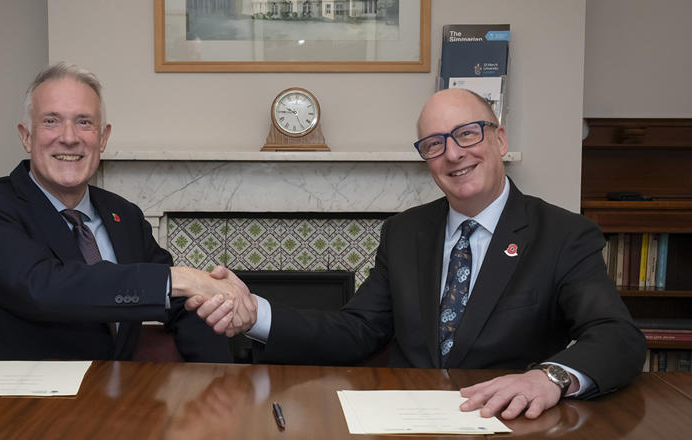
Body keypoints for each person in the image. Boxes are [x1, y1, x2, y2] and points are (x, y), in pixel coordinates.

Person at [188, 88, 646, 419]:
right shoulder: (405, 232)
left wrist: (549, 378)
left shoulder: (563, 234)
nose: (453, 154)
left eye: (467, 134)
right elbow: (357, 331)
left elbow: (618, 337)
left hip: (508, 424)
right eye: (434, 144)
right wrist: (256, 314)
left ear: (500, 140)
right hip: (405, 424)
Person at [0, 62, 252, 361]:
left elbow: (182, 305)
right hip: (14, 391)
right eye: (51, 121)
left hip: (114, 390)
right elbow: (44, 288)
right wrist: (182, 278)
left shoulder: (125, 216)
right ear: (26, 136)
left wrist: (219, 375)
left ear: (103, 137)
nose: (69, 137)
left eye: (84, 122)